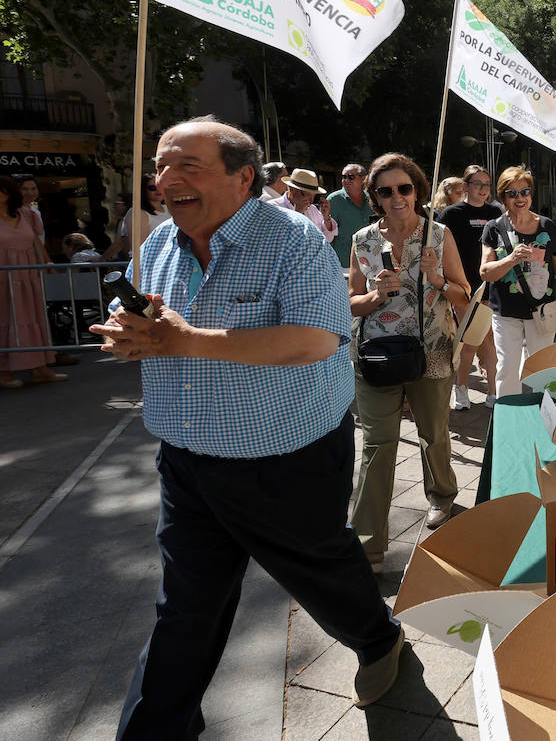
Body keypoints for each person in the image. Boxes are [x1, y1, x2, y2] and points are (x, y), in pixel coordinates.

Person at [90, 119, 406, 734]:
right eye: (161, 166)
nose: (166, 180)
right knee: (184, 611)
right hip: (185, 462)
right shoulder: (156, 246)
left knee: (323, 572)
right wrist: (126, 336)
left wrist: (185, 340)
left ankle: (378, 638)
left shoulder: (294, 242)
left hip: (287, 460)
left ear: (242, 178)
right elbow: (137, 320)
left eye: (188, 166)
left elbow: (314, 341)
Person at [349, 153, 471, 560]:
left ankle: (442, 495)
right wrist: (373, 295)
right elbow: (352, 302)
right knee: (376, 446)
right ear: (375, 196)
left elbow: (464, 295)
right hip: (376, 354)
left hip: (431, 352)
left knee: (433, 434)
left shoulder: (438, 235)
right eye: (386, 191)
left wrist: (437, 279)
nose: (397, 197)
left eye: (405, 188)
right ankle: (368, 545)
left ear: (417, 190)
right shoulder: (363, 241)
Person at [479, 166, 556, 397]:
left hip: (542, 311)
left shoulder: (546, 226)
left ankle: (545, 416)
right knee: (507, 368)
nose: (520, 198)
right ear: (503, 197)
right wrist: (510, 259)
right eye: (513, 193)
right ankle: (510, 419)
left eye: (525, 191)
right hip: (506, 312)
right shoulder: (494, 228)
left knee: (543, 369)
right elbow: (486, 272)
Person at [438, 164, 501, 409]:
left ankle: (489, 390)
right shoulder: (451, 214)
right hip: (463, 288)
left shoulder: (496, 212)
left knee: (489, 340)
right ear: (466, 186)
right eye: (478, 184)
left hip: (491, 286)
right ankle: (464, 388)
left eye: (487, 184)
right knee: (473, 339)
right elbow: (441, 250)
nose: (483, 189)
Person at [0, 175, 68, 388]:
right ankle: (3, 371)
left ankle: (40, 368)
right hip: (4, 277)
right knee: (6, 318)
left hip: (27, 275)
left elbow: (37, 244)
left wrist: (47, 265)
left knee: (33, 317)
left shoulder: (27, 214)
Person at [270, 168, 338, 242]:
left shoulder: (312, 210)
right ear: (292, 189)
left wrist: (326, 217)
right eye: (307, 195)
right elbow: (281, 239)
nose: (311, 200)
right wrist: (298, 213)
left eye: (314, 196)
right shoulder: (274, 208)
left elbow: (327, 239)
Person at [326, 163, 372, 268]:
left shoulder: (372, 200)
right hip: (343, 264)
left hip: (370, 261)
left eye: (351, 177)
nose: (346, 180)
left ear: (363, 179)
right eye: (344, 177)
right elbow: (326, 232)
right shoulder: (333, 200)